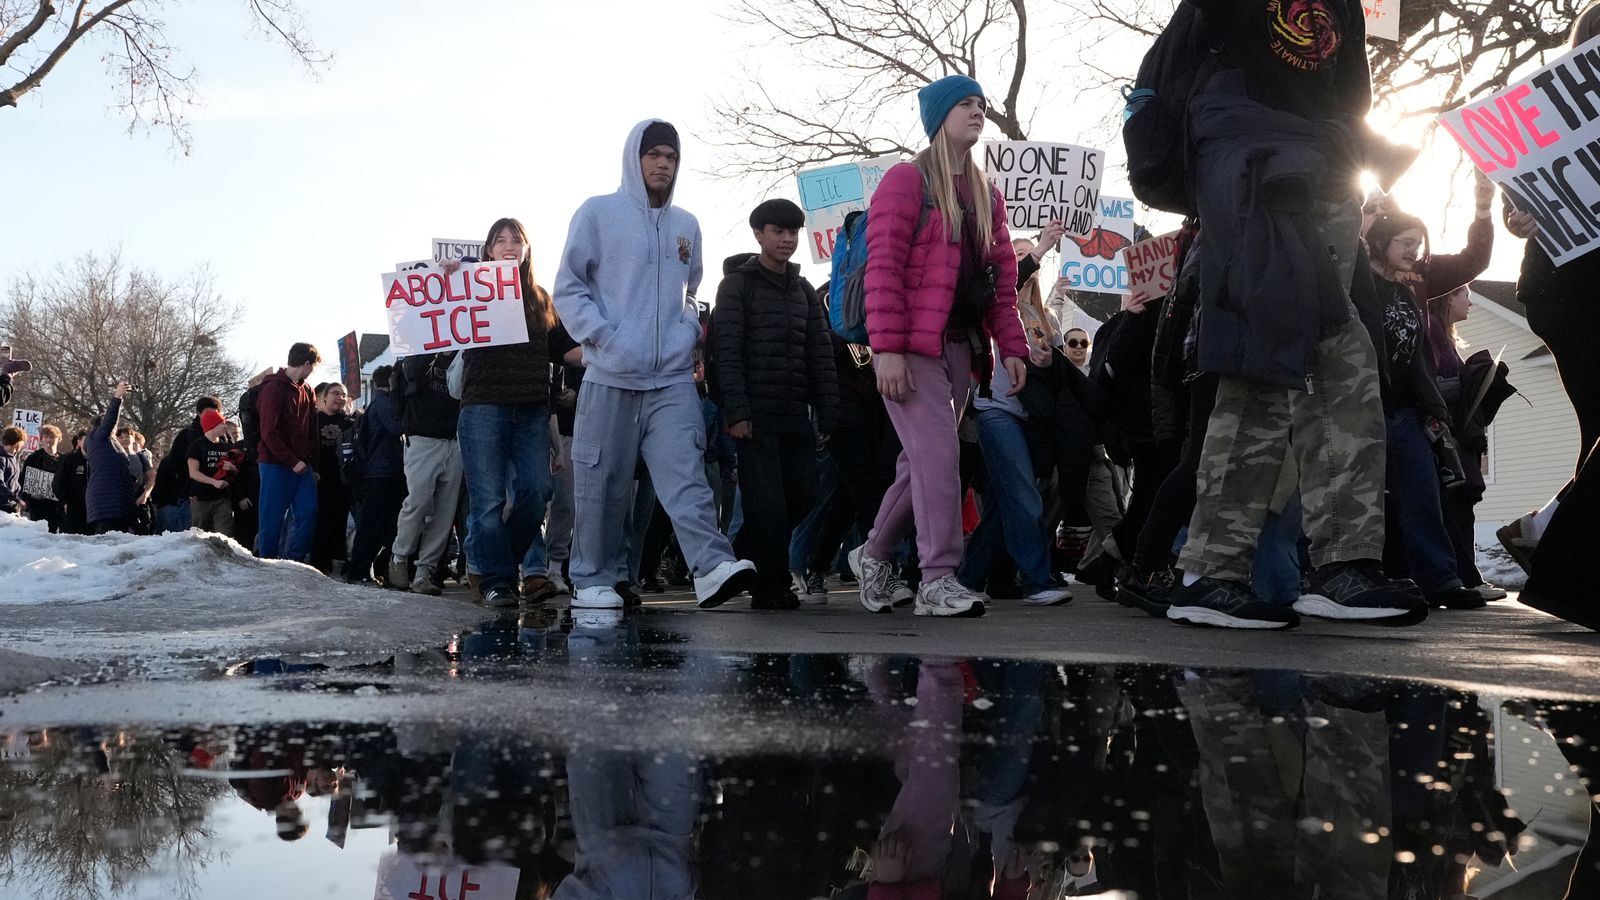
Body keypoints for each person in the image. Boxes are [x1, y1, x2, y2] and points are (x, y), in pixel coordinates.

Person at [1167, 0, 1425, 629]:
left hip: (1326, 186)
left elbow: (1353, 100)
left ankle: (1257, 571)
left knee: (1304, 366)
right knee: (1303, 357)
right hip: (1253, 177)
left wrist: (1353, 166)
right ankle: (1257, 569)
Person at [553, 118, 758, 610]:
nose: (663, 164)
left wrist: (687, 332)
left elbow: (691, 292)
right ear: (635, 158)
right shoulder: (597, 213)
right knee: (603, 481)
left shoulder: (687, 224)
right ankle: (593, 578)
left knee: (687, 474)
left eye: (671, 157)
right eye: (654, 155)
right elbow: (568, 287)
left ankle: (711, 567)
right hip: (610, 375)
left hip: (670, 379)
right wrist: (607, 338)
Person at [848, 75, 1028, 618]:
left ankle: (872, 554)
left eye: (981, 105)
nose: (977, 112)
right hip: (910, 348)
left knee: (921, 465)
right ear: (938, 116)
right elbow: (883, 268)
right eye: (964, 104)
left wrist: (1012, 344)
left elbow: (1001, 279)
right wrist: (886, 349)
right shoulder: (907, 180)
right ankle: (938, 578)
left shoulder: (986, 193)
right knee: (939, 459)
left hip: (959, 349)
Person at [1498, 1, 1600, 630]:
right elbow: (1515, 208)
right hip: (1570, 290)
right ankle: (1557, 548)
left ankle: (1544, 530)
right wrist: (1518, 217)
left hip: (1563, 290)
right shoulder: (1551, 112)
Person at [712, 198, 840, 609]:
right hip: (754, 417)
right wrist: (737, 411)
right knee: (766, 504)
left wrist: (828, 412)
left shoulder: (803, 290)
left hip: (795, 413)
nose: (787, 239)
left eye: (793, 232)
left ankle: (740, 556)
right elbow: (725, 352)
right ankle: (772, 586)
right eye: (778, 231)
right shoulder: (737, 286)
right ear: (759, 235)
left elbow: (819, 354)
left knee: (804, 495)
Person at [449, 218, 579, 609]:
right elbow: (433, 308)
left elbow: (566, 349)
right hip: (483, 409)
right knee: (488, 503)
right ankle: (499, 582)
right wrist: (448, 278)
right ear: (488, 251)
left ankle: (495, 565)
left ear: (526, 249)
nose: (509, 246)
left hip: (531, 412)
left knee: (538, 493)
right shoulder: (469, 288)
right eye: (500, 240)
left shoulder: (540, 298)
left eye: (516, 240)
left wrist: (611, 352)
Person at [1362, 213, 1485, 610]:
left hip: (1407, 408)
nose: (1414, 250)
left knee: (1422, 493)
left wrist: (1433, 406)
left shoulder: (1409, 289)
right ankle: (1357, 575)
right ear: (1380, 241)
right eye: (1405, 242)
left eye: (1418, 243)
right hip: (1362, 406)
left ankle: (1439, 580)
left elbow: (1416, 355)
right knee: (1361, 496)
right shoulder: (1355, 280)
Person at [957, 227, 1072, 607]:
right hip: (996, 411)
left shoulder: (1045, 317)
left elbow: (1063, 375)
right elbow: (1005, 283)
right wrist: (1039, 250)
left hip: (1033, 417)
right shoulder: (990, 305)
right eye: (1015, 255)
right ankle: (1037, 580)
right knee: (1022, 493)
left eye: (1024, 256)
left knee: (1004, 502)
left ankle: (968, 578)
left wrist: (1050, 362)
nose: (1020, 262)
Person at [388, 351, 462, 597]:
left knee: (445, 512)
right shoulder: (419, 353)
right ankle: (399, 556)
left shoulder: (464, 354)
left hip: (454, 439)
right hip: (421, 437)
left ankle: (424, 572)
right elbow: (411, 378)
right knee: (418, 501)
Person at [256, 343, 321, 562]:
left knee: (307, 512)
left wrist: (311, 463)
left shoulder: (308, 390)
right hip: (275, 463)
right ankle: (267, 563)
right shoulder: (273, 388)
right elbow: (268, 431)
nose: (312, 371)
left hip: (302, 464)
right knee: (272, 518)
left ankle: (294, 561)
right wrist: (292, 461)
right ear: (307, 364)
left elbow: (311, 430)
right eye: (313, 366)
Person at [344, 365, 407, 585]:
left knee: (382, 524)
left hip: (379, 471)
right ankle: (360, 570)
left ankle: (368, 570)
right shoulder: (384, 404)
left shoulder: (376, 404)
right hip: (382, 472)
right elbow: (397, 427)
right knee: (375, 524)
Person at [154, 396, 222, 533]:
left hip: (218, 495)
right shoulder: (187, 435)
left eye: (215, 413)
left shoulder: (222, 436)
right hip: (190, 496)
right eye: (207, 413)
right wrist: (189, 488)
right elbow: (176, 464)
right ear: (199, 413)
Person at [310, 382, 354, 572]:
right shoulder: (312, 421)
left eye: (343, 395)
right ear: (324, 397)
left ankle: (338, 563)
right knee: (320, 522)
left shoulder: (351, 423)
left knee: (340, 522)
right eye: (335, 393)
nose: (340, 398)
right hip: (318, 480)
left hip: (343, 481)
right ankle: (318, 564)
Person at [85, 381, 140, 534]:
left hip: (117, 499)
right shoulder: (99, 437)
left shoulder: (107, 443)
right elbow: (110, 420)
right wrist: (118, 397)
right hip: (108, 502)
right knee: (108, 541)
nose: (116, 426)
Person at [187, 408, 241, 536]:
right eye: (222, 423)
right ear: (212, 425)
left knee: (225, 535)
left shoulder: (226, 446)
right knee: (200, 536)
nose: (225, 426)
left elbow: (237, 472)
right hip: (201, 499)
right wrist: (213, 482)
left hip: (222, 499)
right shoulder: (197, 445)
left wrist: (233, 469)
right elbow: (193, 472)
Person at [20, 424, 63, 531]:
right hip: (37, 505)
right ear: (41, 439)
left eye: (52, 437)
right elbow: (24, 479)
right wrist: (29, 497)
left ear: (58, 439)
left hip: (56, 506)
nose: (49, 440)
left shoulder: (64, 460)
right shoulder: (33, 458)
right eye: (46, 437)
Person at [53, 430, 90, 535]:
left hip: (93, 508)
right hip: (74, 508)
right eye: (86, 441)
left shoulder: (98, 460)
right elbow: (57, 483)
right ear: (79, 442)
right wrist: (65, 502)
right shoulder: (70, 459)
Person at [0, 426, 24, 515]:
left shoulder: (13, 457)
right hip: (2, 507)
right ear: (17, 442)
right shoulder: (1, 458)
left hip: (12, 505)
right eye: (22, 441)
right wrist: (15, 497)